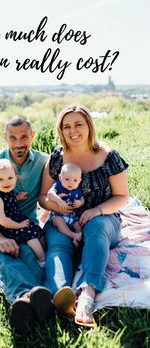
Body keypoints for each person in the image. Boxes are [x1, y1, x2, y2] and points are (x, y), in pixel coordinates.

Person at [39, 104, 129, 327]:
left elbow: (122, 197)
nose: (73, 130)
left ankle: (87, 296)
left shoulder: (109, 157)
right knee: (58, 244)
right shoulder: (58, 157)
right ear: (61, 130)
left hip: (103, 219)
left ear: (89, 126)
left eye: (78, 124)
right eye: (66, 126)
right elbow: (42, 196)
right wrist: (56, 206)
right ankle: (60, 295)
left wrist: (96, 210)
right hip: (64, 219)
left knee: (95, 229)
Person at [0, 115, 54, 335]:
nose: (19, 144)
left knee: (29, 255)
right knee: (5, 257)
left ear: (33, 136)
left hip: (24, 228)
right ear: (5, 138)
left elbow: (58, 187)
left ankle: (36, 300)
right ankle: (25, 298)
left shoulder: (43, 163)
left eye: (24, 137)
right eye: (13, 138)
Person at [0, 158, 45, 267]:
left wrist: (17, 197)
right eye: (1, 179)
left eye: (10, 178)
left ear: (16, 178)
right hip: (6, 228)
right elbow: (3, 221)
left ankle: (46, 251)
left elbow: (9, 199)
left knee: (38, 230)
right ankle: (42, 260)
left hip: (16, 220)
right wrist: (19, 225)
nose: (6, 182)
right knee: (30, 236)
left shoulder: (7, 191)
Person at [47, 162, 84, 248]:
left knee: (79, 226)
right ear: (60, 178)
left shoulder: (77, 189)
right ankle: (73, 235)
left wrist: (80, 202)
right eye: (67, 179)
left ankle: (78, 242)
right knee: (60, 223)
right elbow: (50, 194)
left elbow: (82, 198)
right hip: (58, 215)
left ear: (80, 181)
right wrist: (59, 201)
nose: (71, 183)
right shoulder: (58, 185)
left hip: (72, 216)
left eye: (75, 180)